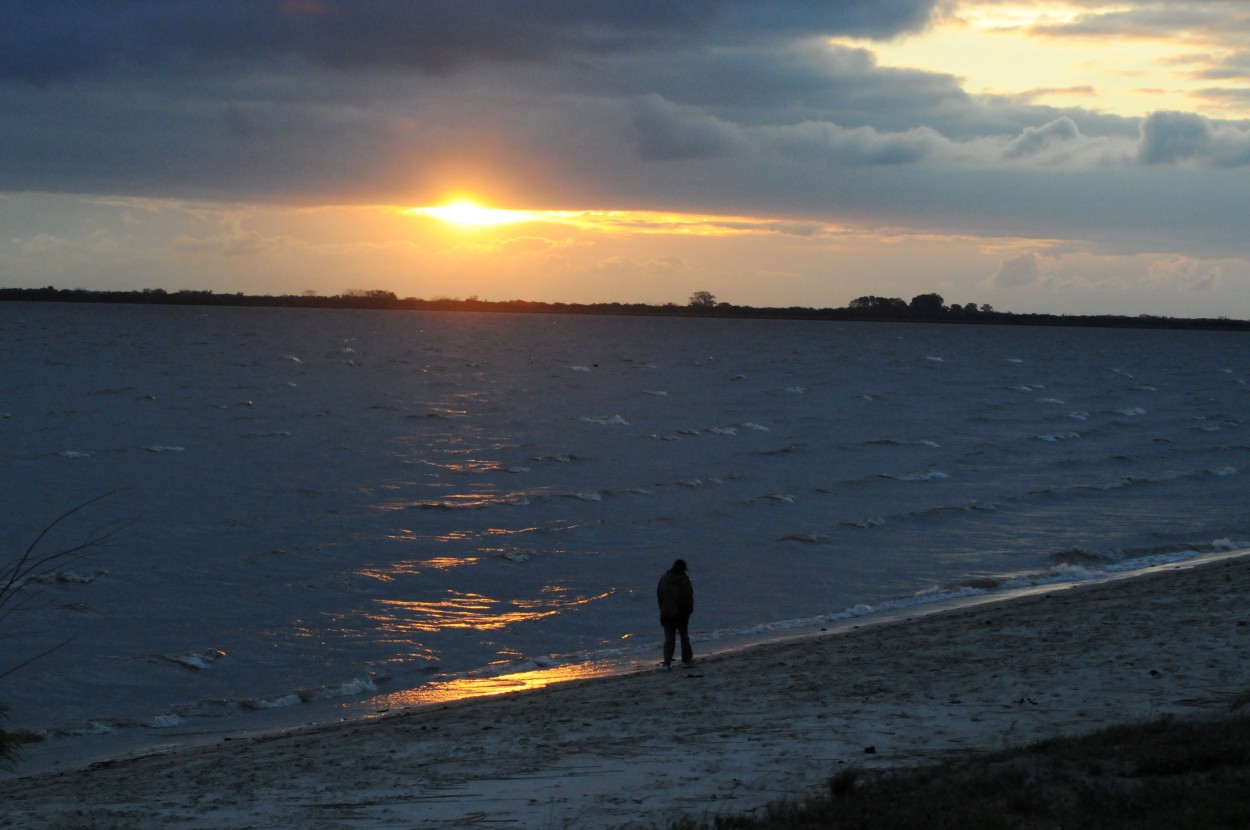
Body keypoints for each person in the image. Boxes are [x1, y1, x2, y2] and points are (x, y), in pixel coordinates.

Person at [656, 558, 694, 670]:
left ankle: (667, 663)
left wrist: (662, 609)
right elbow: (688, 597)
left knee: (669, 639)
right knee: (684, 637)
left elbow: (659, 596)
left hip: (666, 613)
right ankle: (686, 661)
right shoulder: (684, 580)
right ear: (683, 569)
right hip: (681, 613)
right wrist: (689, 610)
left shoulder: (663, 579)